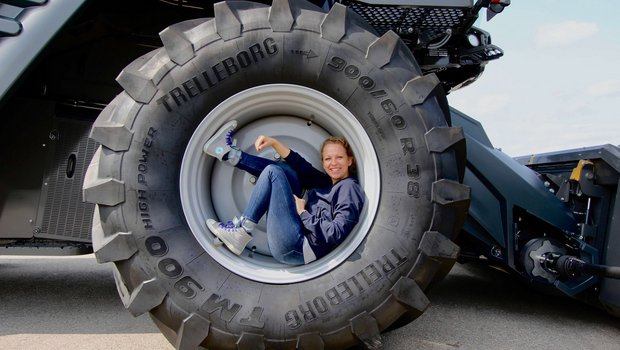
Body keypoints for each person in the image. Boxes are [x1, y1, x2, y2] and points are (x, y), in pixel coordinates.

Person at [203, 120, 364, 265]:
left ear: (349, 160)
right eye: (328, 159)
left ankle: (242, 230)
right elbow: (301, 165)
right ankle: (228, 154)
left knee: (273, 172)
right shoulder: (326, 183)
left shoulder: (349, 188)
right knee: (287, 171)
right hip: (296, 234)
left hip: (299, 247)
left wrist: (302, 213)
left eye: (339, 158)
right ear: (323, 162)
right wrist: (273, 143)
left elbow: (335, 233)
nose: (333, 163)